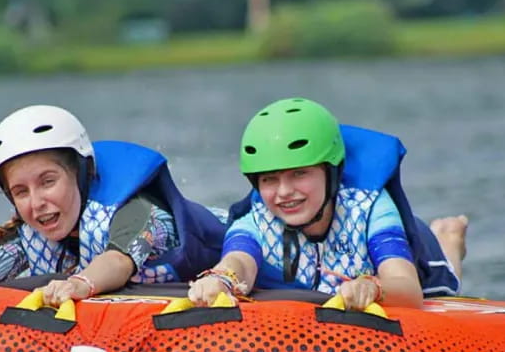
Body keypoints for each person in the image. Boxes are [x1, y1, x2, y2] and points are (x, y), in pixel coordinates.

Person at [188, 97, 467, 310]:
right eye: (270, 179)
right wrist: (222, 281)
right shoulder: (255, 219)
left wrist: (373, 288)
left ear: (331, 172)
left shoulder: (371, 209)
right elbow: (238, 262)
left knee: (446, 284)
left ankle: (450, 238)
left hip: (416, 250)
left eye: (299, 173)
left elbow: (408, 288)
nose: (284, 192)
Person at [0, 104, 226, 306]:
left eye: (48, 182)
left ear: (83, 172)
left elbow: (119, 262)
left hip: (241, 252)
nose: (36, 203)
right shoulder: (33, 234)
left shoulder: (137, 212)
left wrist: (79, 284)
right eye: (20, 192)